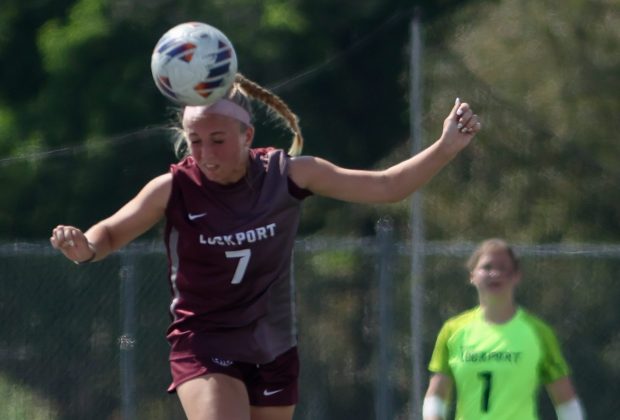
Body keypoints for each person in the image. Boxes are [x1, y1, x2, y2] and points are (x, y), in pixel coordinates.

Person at [50, 73, 481, 420]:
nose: (206, 153)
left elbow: (388, 187)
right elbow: (108, 234)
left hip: (272, 344)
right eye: (195, 142)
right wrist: (83, 245)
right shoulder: (174, 189)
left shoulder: (289, 174)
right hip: (204, 341)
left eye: (218, 140)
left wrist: (446, 146)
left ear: (247, 135)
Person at [423, 238, 585, 420]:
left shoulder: (538, 332)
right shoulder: (453, 331)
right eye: (487, 267)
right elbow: (438, 393)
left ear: (516, 276)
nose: (495, 274)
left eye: (503, 268)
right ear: (472, 275)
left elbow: (566, 401)